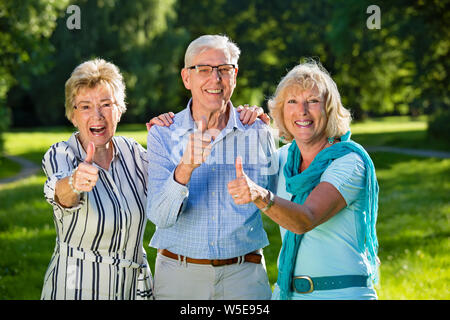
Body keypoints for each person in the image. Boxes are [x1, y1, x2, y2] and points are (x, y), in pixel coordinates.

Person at [227, 60, 380, 300]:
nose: (302, 111)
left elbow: (305, 219)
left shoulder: (349, 161)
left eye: (313, 101)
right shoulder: (282, 159)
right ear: (281, 112)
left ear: (329, 109)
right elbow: (226, 174)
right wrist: (247, 124)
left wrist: (260, 195)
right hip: (287, 293)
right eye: (292, 102)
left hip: (342, 294)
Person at [146, 34, 276, 300]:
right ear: (186, 78)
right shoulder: (163, 133)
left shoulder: (258, 130)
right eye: (203, 69)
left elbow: (280, 202)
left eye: (224, 70)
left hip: (245, 277)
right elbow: (159, 217)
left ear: (235, 75)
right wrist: (185, 168)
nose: (215, 79)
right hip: (179, 278)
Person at [41, 58, 153, 300]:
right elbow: (60, 192)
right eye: (85, 106)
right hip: (77, 287)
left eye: (106, 104)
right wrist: (74, 182)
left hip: (132, 289)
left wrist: (168, 133)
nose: (97, 116)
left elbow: (172, 188)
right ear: (73, 115)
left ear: (120, 110)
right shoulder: (61, 153)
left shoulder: (133, 152)